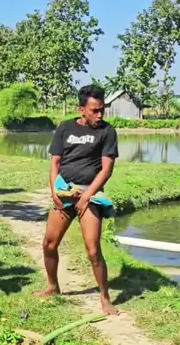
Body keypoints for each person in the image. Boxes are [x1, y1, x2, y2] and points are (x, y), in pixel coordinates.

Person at [35, 84, 118, 315]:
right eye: (94, 110)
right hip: (64, 192)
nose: (99, 115)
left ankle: (105, 298)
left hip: (90, 194)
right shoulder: (65, 127)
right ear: (82, 109)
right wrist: (54, 191)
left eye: (102, 110)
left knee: (93, 250)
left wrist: (87, 196)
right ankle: (53, 286)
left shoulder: (108, 132)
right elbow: (55, 163)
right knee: (49, 244)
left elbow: (107, 170)